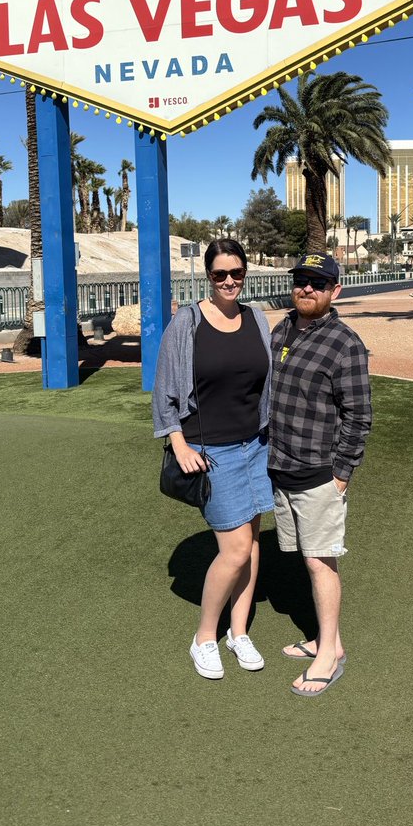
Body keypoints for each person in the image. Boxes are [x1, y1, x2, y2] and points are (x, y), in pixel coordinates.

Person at [153, 238, 274, 681]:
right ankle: (205, 635)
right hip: (212, 452)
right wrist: (179, 444)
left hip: (257, 446)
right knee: (236, 548)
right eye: (220, 274)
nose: (229, 281)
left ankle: (239, 632)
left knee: (253, 541)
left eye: (236, 273)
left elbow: (268, 382)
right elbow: (164, 389)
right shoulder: (186, 323)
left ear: (245, 273)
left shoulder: (257, 319)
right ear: (208, 276)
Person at [268, 252, 372, 697]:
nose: (307, 288)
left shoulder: (345, 343)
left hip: (318, 474)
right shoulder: (281, 328)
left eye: (318, 283)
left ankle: (330, 654)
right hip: (280, 466)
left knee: (319, 561)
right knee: (303, 557)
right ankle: (325, 640)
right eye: (302, 281)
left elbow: (359, 415)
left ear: (335, 291)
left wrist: (342, 473)